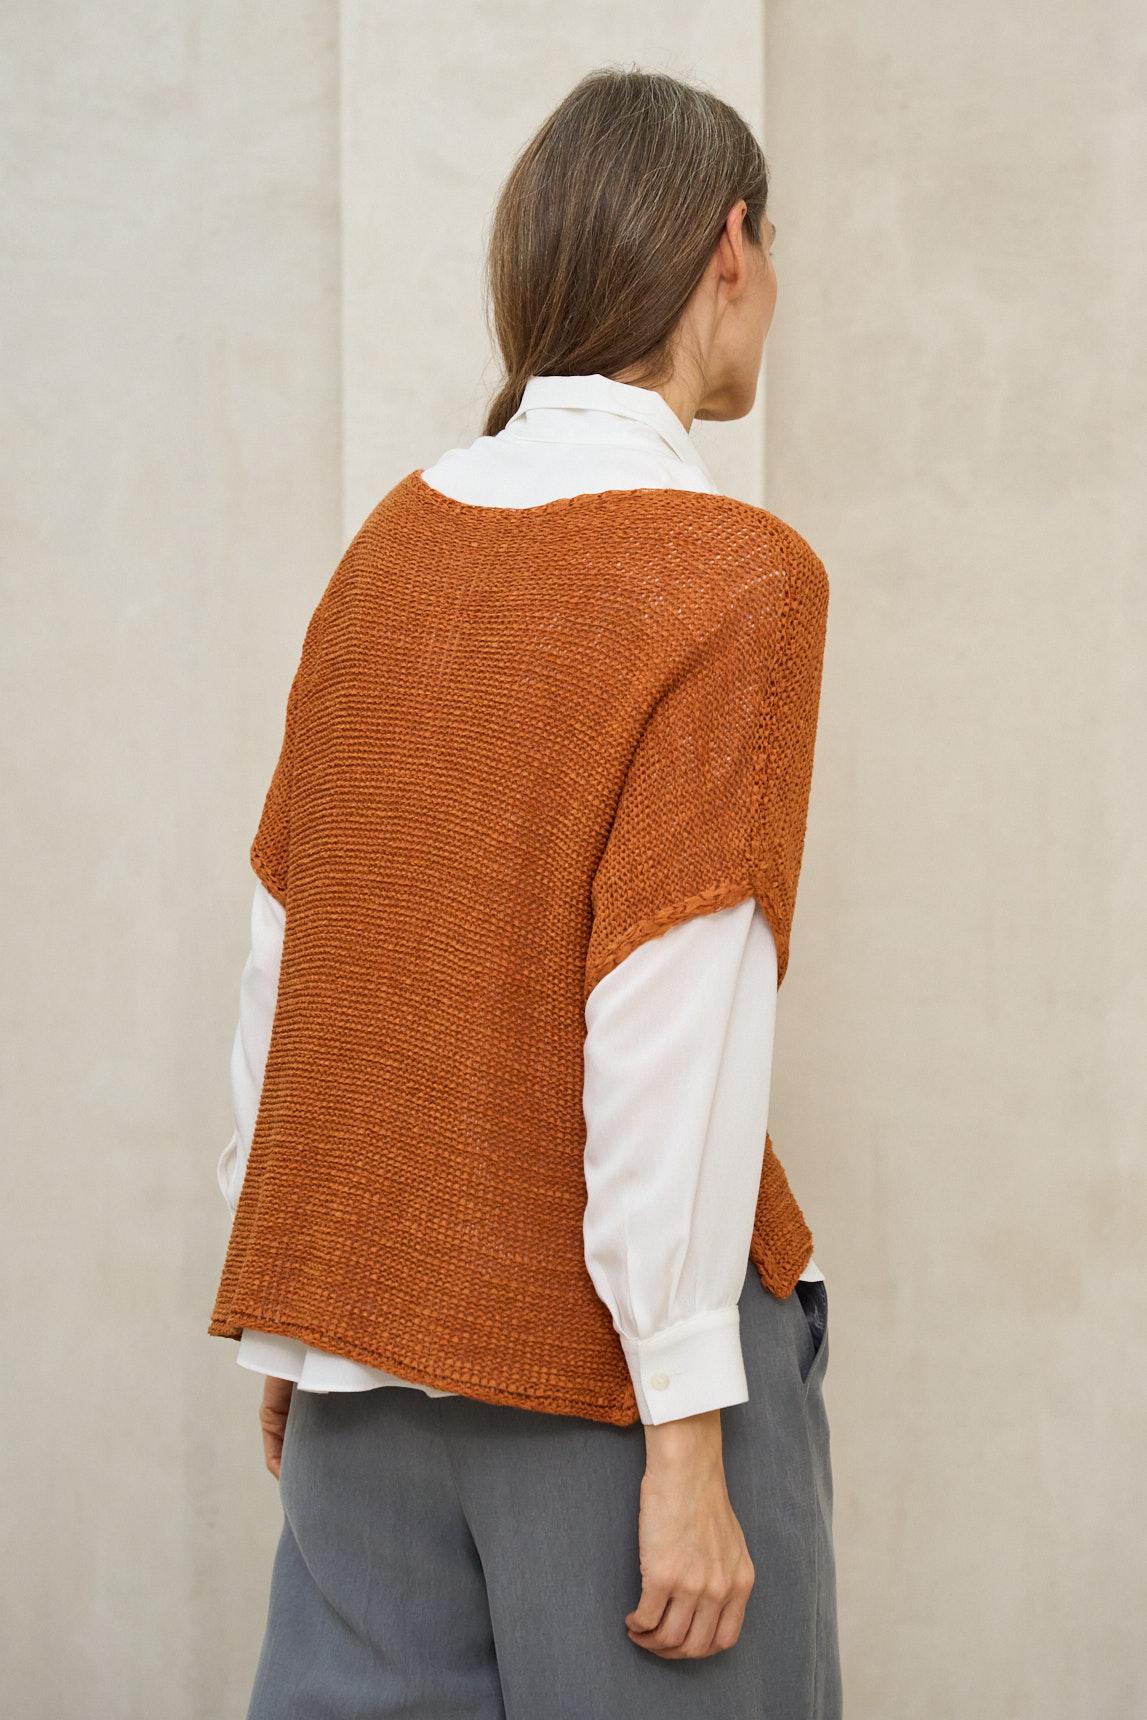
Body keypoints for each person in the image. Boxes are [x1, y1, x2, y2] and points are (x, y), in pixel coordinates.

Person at [209, 65, 841, 1717]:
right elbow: (669, 1006)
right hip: (607, 1405)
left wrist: (300, 1319)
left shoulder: (391, 548)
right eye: (774, 247)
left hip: (364, 1380)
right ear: (728, 246)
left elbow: (298, 945)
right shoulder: (735, 580)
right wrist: (686, 1430)